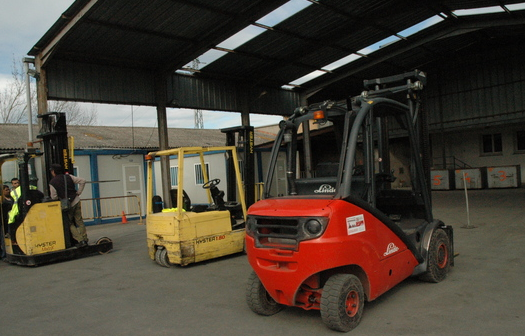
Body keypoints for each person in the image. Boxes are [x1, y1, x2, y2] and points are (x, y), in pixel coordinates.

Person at [49, 164, 88, 247]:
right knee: (79, 221)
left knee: (69, 223)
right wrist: (78, 192)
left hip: (67, 205)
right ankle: (85, 238)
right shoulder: (68, 177)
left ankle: (80, 240)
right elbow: (83, 180)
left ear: (53, 171)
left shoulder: (52, 182)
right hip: (76, 200)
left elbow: (54, 197)